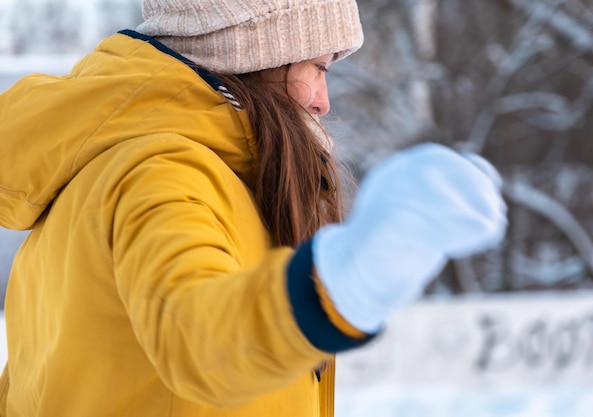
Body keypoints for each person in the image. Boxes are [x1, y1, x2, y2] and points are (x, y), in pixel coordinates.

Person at [0, 0, 507, 416]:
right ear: (257, 51)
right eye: (318, 67)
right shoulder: (161, 171)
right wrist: (350, 276)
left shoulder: (183, 164)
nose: (323, 102)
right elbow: (199, 339)